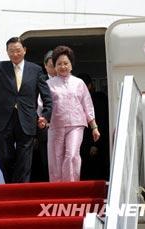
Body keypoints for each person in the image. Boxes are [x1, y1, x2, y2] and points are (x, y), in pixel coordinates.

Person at [0, 37, 52, 183]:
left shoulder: (36, 70)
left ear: (24, 50)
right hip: (5, 117)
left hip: (27, 118)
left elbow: (46, 96)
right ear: (7, 53)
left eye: (18, 50)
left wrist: (45, 115)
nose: (15, 54)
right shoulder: (2, 67)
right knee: (4, 155)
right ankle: (11, 183)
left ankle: (21, 189)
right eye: (11, 51)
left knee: (25, 158)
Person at [38, 45, 100, 182]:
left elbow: (87, 105)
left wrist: (94, 127)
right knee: (56, 157)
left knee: (72, 155)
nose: (63, 66)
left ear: (71, 65)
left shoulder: (79, 83)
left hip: (76, 124)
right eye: (59, 64)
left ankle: (71, 186)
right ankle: (58, 189)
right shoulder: (48, 84)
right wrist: (42, 118)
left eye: (66, 63)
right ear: (54, 66)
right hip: (55, 125)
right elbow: (42, 104)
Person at [78, 73, 110, 181]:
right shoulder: (77, 100)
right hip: (81, 144)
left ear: (89, 86)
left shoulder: (98, 99)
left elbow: (102, 122)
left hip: (95, 143)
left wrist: (95, 144)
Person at [30, 50, 56, 182]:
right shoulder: (39, 82)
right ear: (45, 66)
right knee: (46, 162)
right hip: (44, 128)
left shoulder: (72, 81)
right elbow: (33, 105)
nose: (56, 68)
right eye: (52, 65)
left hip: (65, 128)